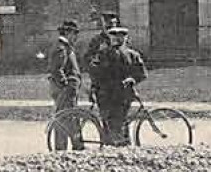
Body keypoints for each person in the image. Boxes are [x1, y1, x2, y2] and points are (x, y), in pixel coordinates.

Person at [89, 25, 146, 145]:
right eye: (114, 37)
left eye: (121, 37)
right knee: (109, 124)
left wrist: (132, 79)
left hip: (124, 94)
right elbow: (95, 72)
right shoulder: (103, 54)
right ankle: (110, 147)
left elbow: (142, 73)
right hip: (106, 95)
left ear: (126, 38)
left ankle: (123, 146)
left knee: (122, 122)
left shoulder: (132, 55)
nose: (118, 40)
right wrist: (94, 87)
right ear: (110, 38)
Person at [46, 20, 85, 151]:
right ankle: (67, 148)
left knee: (69, 118)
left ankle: (71, 147)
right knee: (66, 119)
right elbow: (57, 70)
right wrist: (66, 85)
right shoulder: (61, 48)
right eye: (75, 34)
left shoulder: (65, 47)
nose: (76, 37)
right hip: (65, 91)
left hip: (68, 90)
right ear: (68, 33)